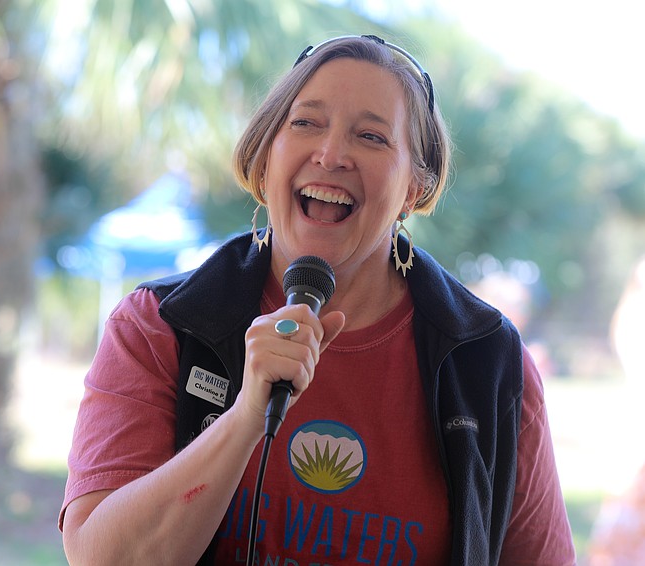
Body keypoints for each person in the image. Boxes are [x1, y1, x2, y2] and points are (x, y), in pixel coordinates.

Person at [59, 34, 576, 565]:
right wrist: (244, 419)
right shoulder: (161, 326)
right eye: (305, 123)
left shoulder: (488, 363)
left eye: (372, 136)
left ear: (413, 190)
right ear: (265, 159)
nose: (331, 155)